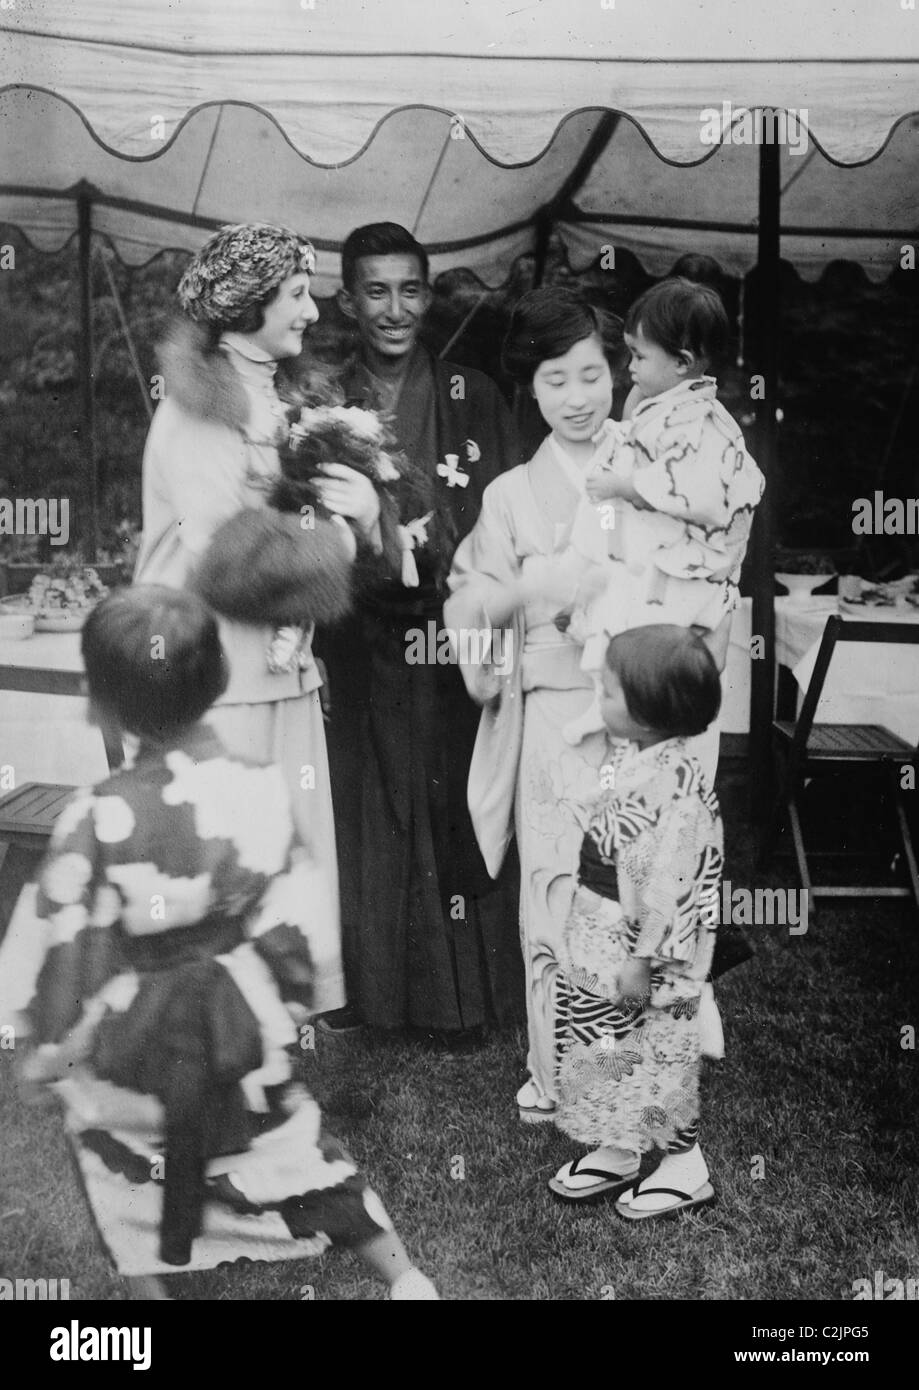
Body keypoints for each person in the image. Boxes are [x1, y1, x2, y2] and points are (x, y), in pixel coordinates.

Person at [0, 587, 439, 1298]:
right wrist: (285, 1003)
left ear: (100, 702)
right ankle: (406, 1281)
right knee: (296, 1152)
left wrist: (45, 1038)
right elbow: (296, 919)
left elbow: (64, 935)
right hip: (240, 1027)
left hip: (133, 1047)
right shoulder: (260, 788)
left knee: (122, 1171)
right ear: (218, 684)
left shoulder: (97, 813)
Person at [133, 223, 379, 966]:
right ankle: (221, 1040)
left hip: (274, 672)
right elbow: (229, 564)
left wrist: (361, 510)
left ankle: (268, 1033)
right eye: (296, 295)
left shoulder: (268, 403)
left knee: (278, 858)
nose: (311, 311)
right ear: (247, 308)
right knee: (228, 861)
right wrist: (344, 537)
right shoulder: (201, 413)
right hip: (218, 681)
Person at [314, 222, 523, 1044]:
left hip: (455, 640)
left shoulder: (473, 393)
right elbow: (301, 533)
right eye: (375, 290)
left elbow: (509, 518)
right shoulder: (325, 403)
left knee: (453, 802)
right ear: (348, 299)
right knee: (371, 811)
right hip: (360, 642)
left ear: (429, 297)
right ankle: (374, 994)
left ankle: (462, 1003)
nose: (393, 308)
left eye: (409, 289)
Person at [445, 287, 621, 1120]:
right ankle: (554, 1071)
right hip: (549, 712)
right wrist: (514, 601)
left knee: (633, 889)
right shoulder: (510, 493)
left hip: (637, 713)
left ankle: (629, 1071)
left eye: (592, 375)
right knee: (551, 885)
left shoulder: (649, 469)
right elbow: (470, 598)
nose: (578, 398)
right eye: (556, 380)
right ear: (532, 387)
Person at [548, 625, 722, 1221]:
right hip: (604, 930)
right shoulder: (635, 753)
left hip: (648, 948)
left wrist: (642, 958)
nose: (599, 696)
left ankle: (683, 1162)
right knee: (603, 1041)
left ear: (650, 714)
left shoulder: (679, 789)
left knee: (658, 1048)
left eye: (611, 692)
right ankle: (619, 1145)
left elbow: (673, 886)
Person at [559, 277, 764, 761]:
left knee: (654, 649)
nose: (629, 367)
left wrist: (623, 486)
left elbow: (688, 489)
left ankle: (633, 713)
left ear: (683, 363)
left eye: (639, 356)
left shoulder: (700, 420)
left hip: (688, 568)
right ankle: (607, 700)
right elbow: (635, 442)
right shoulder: (666, 404)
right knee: (616, 618)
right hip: (659, 558)